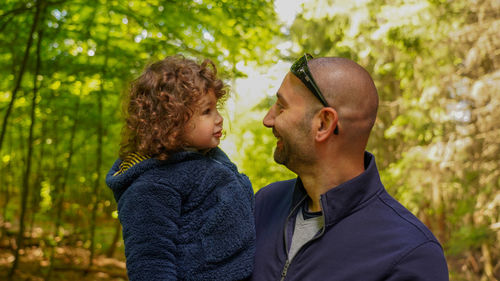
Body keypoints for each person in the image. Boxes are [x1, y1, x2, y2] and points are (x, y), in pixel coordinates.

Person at [252, 54, 449, 280]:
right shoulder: (264, 205)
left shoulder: (410, 254)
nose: (268, 119)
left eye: (281, 107)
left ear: (324, 124)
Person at [106, 55, 255, 281]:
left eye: (216, 109)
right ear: (171, 121)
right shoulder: (150, 185)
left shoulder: (211, 158)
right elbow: (150, 262)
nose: (219, 119)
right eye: (207, 111)